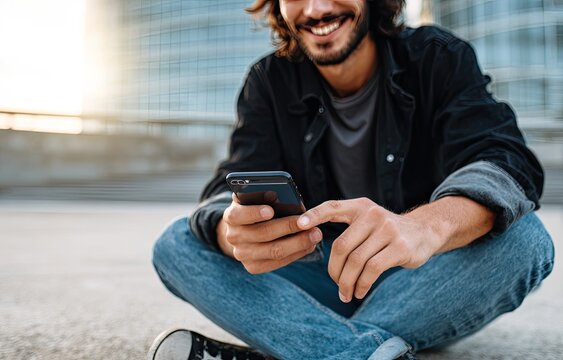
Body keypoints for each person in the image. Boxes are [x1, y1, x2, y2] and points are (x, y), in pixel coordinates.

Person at [148, 0, 555, 359]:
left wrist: (424, 226)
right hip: (316, 273)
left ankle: (303, 343)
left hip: (421, 275)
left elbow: (504, 159)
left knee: (525, 241)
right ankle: (357, 350)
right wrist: (229, 229)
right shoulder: (269, 81)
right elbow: (229, 185)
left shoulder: (437, 56)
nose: (317, 9)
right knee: (176, 243)